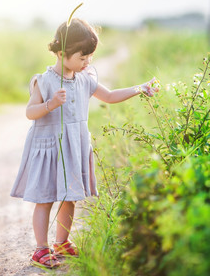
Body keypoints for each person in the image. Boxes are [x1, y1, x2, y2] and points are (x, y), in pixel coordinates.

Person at [10, 18, 159, 269]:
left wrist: (139, 88)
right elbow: (29, 112)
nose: (87, 62)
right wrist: (50, 104)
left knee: (71, 197)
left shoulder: (84, 79)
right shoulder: (44, 82)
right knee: (45, 199)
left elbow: (109, 96)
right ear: (61, 53)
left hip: (74, 148)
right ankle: (40, 249)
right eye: (82, 57)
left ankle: (61, 242)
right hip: (49, 149)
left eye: (90, 56)